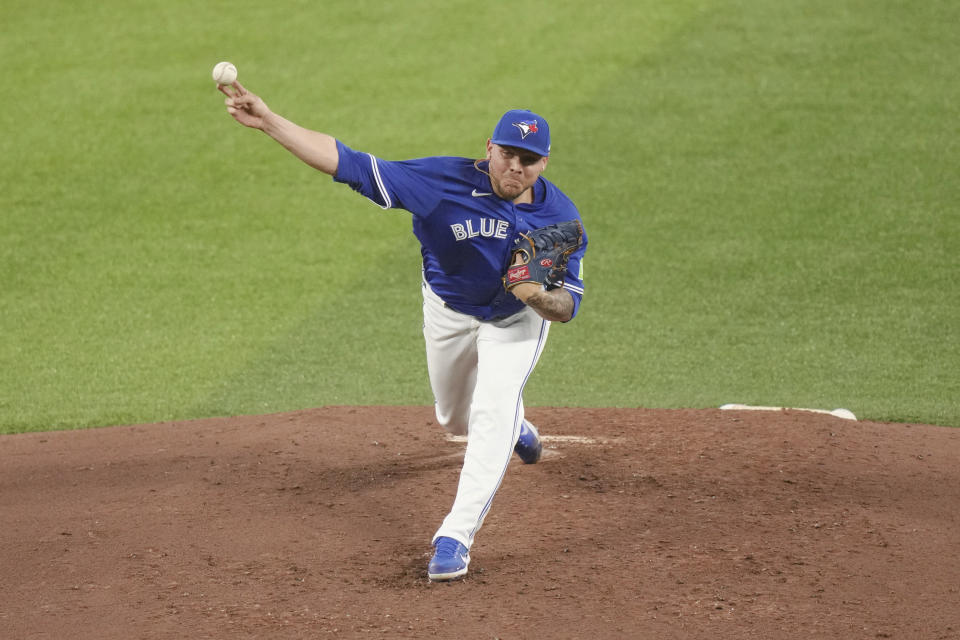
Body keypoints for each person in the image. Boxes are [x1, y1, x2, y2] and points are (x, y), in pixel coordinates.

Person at [217, 80, 588, 581]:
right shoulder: (441, 182)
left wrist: (539, 298)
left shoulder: (560, 217)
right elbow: (348, 162)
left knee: (489, 412)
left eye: (528, 159)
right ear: (489, 149)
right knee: (455, 421)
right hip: (449, 310)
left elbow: (568, 306)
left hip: (513, 323)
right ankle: (516, 428)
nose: (514, 167)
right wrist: (270, 122)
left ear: (544, 163)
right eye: (507, 154)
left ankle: (455, 535)